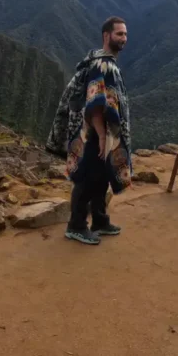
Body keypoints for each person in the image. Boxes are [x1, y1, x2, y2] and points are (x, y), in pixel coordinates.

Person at [45, 16, 133, 245]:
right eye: (119, 34)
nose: (124, 38)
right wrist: (103, 136)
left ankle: (100, 220)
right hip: (94, 134)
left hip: (100, 134)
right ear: (107, 36)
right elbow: (95, 103)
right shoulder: (102, 64)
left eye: (125, 34)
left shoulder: (101, 61)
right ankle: (76, 225)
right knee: (87, 177)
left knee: (102, 177)